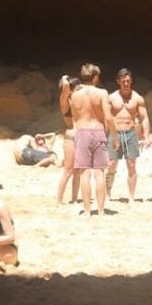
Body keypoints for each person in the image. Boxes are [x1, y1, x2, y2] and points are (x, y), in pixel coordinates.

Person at [69, 63, 118, 216]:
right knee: (99, 173)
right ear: (95, 77)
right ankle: (101, 210)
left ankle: (88, 210)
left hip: (82, 131)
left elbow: (75, 118)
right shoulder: (102, 93)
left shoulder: (75, 95)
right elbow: (108, 117)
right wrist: (115, 136)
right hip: (98, 131)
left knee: (84, 173)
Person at [106, 68, 151, 203]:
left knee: (131, 164)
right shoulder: (112, 97)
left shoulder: (137, 98)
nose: (126, 83)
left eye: (128, 81)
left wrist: (146, 136)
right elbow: (106, 118)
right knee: (111, 164)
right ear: (118, 81)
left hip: (130, 133)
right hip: (115, 133)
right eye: (124, 81)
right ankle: (108, 193)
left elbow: (145, 118)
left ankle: (131, 197)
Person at [56, 76, 81, 204]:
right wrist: (65, 78)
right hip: (71, 137)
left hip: (81, 137)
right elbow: (65, 87)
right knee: (68, 170)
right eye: (77, 88)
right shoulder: (65, 102)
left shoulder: (80, 102)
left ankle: (75, 199)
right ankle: (59, 200)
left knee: (78, 171)